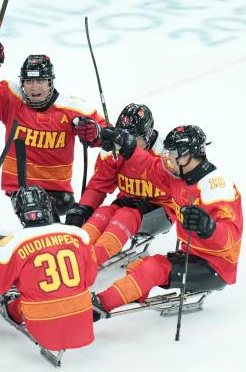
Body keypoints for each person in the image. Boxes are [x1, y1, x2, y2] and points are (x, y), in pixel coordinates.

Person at [91, 125, 243, 315]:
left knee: (153, 268)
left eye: (172, 153)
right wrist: (126, 146)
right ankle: (134, 291)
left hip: (215, 266)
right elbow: (150, 166)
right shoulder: (179, 177)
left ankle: (100, 305)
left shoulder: (217, 189)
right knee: (138, 266)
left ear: (187, 155)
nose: (168, 158)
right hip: (190, 254)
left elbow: (230, 238)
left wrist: (208, 228)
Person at [0, 38, 106, 219]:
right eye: (29, 81)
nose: (34, 87)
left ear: (50, 82)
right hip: (22, 190)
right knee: (42, 224)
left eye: (40, 80)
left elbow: (108, 135)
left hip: (59, 193)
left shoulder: (72, 108)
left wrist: (95, 132)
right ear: (22, 82)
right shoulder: (11, 99)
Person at [0, 184, 98, 351]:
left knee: (26, 294)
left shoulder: (8, 245)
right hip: (83, 324)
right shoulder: (78, 234)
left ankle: (14, 311)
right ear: (48, 206)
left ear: (18, 212)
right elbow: (89, 279)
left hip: (44, 331)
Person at [65, 103, 173, 265]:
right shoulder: (114, 150)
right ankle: (71, 255)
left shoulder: (167, 152)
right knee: (101, 215)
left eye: (132, 138)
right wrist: (84, 208)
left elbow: (169, 181)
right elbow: (100, 183)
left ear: (147, 135)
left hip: (161, 209)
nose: (126, 142)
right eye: (123, 136)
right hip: (128, 203)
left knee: (124, 217)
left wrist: (132, 153)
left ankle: (88, 264)